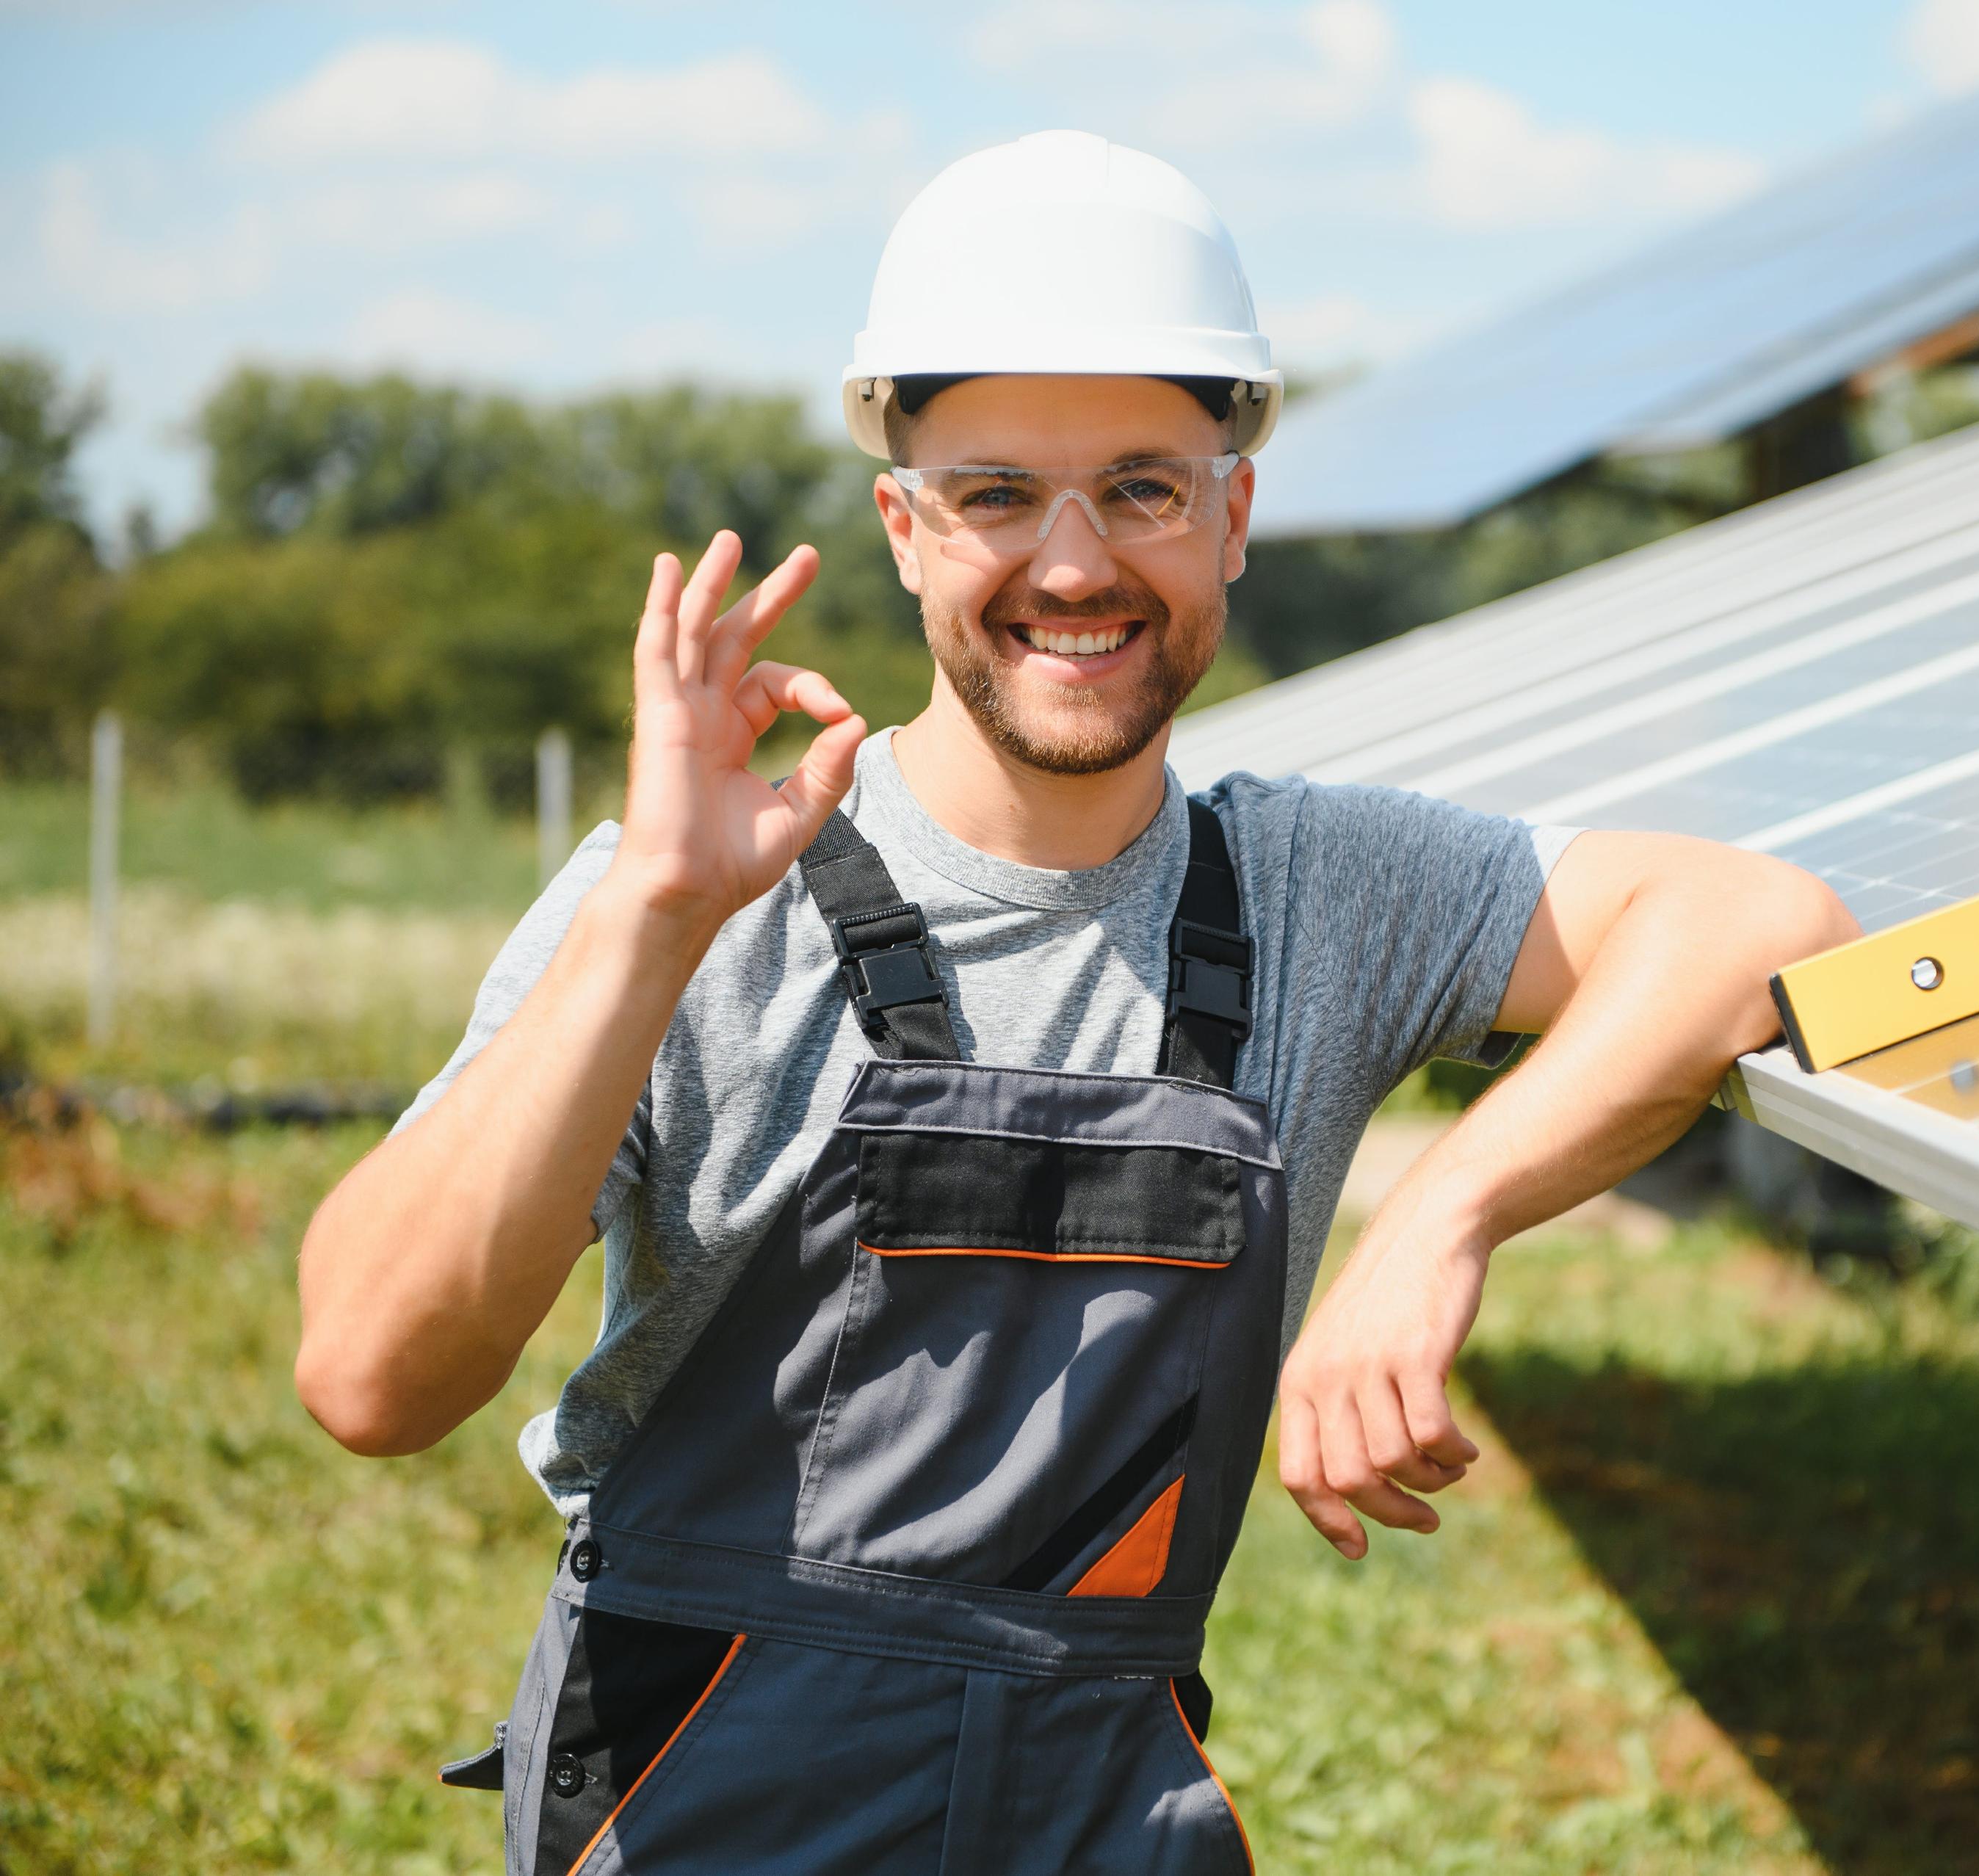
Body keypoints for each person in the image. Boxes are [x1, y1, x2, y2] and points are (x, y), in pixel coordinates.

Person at [294, 130, 1856, 1875]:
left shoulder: (1320, 892)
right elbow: (369, 1376)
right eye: (993, 495)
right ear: (902, 530)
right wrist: (650, 923)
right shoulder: (692, 890)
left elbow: (1759, 921)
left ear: (1233, 519)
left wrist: (1442, 1218)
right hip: (703, 1807)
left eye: (1141, 488)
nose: (1071, 564)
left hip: (1104, 1818)